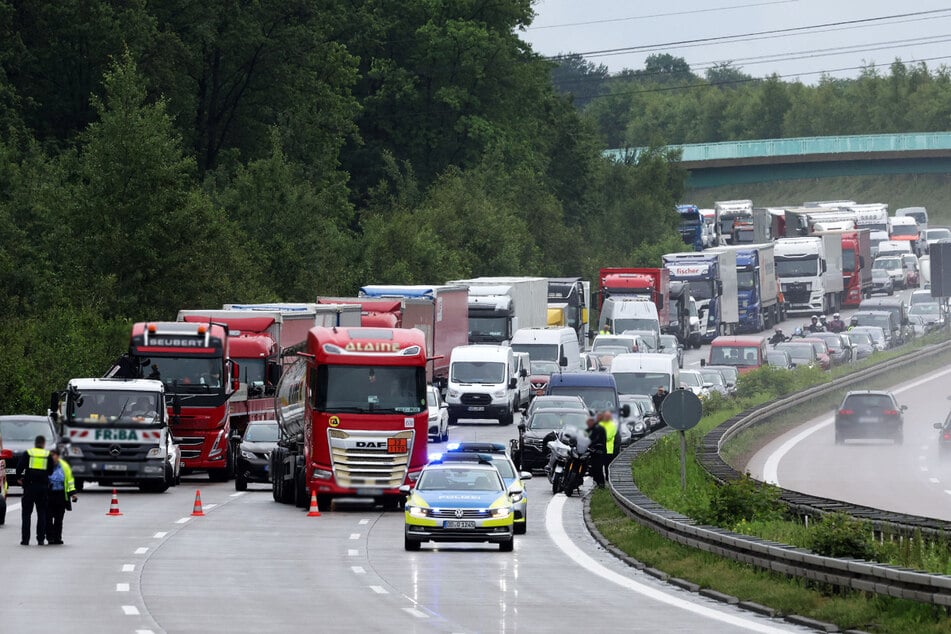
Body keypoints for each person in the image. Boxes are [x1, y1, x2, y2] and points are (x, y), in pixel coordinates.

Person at [16, 435, 53, 546]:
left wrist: (18, 478)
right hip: (42, 488)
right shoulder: (47, 455)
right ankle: (40, 539)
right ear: (43, 443)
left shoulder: (28, 453)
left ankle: (25, 540)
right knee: (42, 514)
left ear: (35, 443)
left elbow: (19, 467)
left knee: (26, 514)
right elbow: (51, 471)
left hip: (29, 487)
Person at [46, 449, 77, 545]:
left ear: (58, 456)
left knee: (59, 519)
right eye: (50, 455)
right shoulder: (45, 465)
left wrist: (73, 493)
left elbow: (70, 480)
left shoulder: (64, 466)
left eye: (54, 455)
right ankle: (50, 537)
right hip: (48, 495)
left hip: (60, 495)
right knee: (48, 518)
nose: (52, 457)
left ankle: (57, 537)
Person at [585, 417, 607, 489]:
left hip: (598, 451)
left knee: (597, 468)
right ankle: (597, 482)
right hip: (594, 451)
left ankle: (600, 483)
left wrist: (590, 445)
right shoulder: (591, 429)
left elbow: (594, 439)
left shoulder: (598, 429)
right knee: (595, 467)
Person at [598, 411, 618, 481]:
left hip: (609, 449)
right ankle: (600, 480)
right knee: (599, 466)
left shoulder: (612, 426)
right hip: (600, 449)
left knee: (607, 466)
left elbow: (608, 437)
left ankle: (608, 479)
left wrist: (599, 437)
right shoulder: (600, 424)